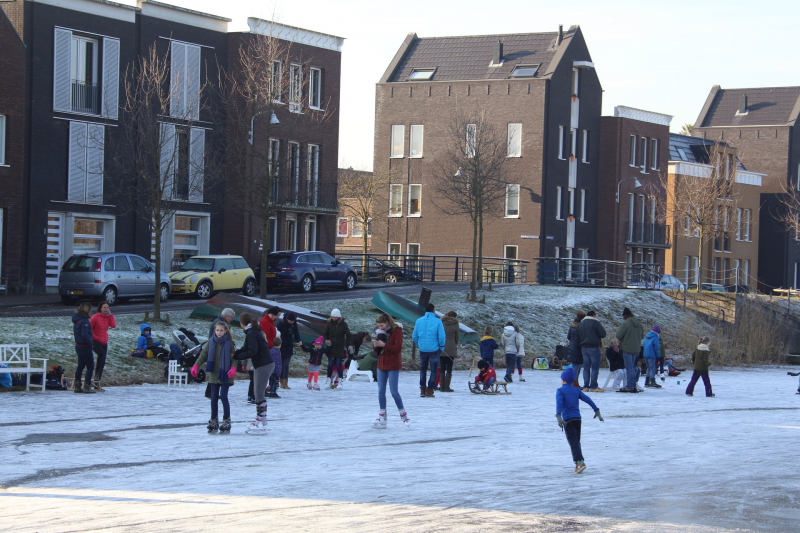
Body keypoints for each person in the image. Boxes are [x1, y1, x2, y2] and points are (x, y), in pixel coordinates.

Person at [556, 367, 604, 474]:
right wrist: (596, 410)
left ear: (563, 380)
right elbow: (588, 399)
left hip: (568, 420)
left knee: (573, 442)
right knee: (576, 441)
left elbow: (559, 403)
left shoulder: (560, 390)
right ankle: (580, 461)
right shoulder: (576, 390)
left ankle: (579, 463)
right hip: (578, 419)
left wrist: (559, 417)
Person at [233, 312, 273, 434]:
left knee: (259, 393)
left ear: (241, 324)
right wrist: (235, 354)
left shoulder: (251, 333)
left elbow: (252, 351)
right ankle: (261, 418)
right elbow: (246, 348)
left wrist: (237, 357)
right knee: (257, 392)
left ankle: (261, 420)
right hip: (262, 363)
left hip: (263, 364)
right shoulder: (252, 332)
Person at [192, 320, 236, 433]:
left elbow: (234, 358)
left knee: (223, 396)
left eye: (221, 330)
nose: (219, 332)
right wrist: (196, 366)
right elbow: (203, 355)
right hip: (214, 374)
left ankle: (226, 420)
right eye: (217, 330)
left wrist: (233, 368)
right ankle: (214, 419)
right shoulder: (211, 342)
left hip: (225, 373)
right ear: (214, 331)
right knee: (214, 397)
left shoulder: (229, 343)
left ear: (226, 331)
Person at [371, 313, 409, 428]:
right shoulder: (379, 332)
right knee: (380, 391)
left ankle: (403, 414)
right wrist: (376, 346)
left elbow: (397, 348)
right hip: (381, 364)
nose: (380, 328)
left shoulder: (397, 331)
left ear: (387, 323)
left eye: (382, 325)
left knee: (394, 391)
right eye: (378, 325)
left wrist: (384, 345)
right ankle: (382, 415)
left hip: (393, 364)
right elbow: (377, 350)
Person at [412, 303, 445, 398]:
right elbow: (441, 336)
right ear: (433, 310)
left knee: (423, 368)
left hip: (423, 348)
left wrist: (420, 344)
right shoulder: (438, 321)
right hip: (434, 348)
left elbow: (414, 335)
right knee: (434, 370)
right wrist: (441, 346)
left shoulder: (419, 321)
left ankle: (422, 389)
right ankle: (430, 390)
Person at [616, 307, 644, 393]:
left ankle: (630, 386)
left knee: (629, 368)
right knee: (633, 367)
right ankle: (633, 384)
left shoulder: (626, 323)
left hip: (627, 348)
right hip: (636, 348)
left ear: (625, 316)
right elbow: (642, 335)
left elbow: (619, 335)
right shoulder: (639, 323)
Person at [89, 301, 116, 392]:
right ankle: (93, 380)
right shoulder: (95, 317)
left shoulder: (108, 317)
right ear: (100, 308)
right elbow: (89, 329)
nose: (106, 309)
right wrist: (95, 337)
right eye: (104, 307)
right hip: (95, 340)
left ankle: (97, 381)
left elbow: (113, 325)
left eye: (107, 307)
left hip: (104, 341)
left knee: (102, 360)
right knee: (101, 354)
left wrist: (110, 315)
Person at [577, 310, 606, 392]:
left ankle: (586, 386)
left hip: (584, 347)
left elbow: (577, 335)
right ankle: (593, 386)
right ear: (593, 315)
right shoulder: (595, 322)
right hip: (594, 347)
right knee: (595, 367)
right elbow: (603, 334)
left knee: (586, 367)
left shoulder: (581, 324)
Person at [323, 308, 350, 389]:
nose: (334, 319)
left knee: (338, 364)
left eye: (335, 317)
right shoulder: (329, 323)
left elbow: (348, 335)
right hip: (331, 347)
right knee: (330, 364)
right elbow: (325, 334)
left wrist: (350, 345)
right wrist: (326, 340)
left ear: (339, 317)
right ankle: (328, 380)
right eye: (332, 317)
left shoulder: (343, 324)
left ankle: (340, 380)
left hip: (339, 348)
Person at [72, 302, 95, 394]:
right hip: (85, 346)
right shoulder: (85, 321)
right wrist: (91, 344)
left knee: (80, 366)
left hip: (78, 346)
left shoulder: (77, 320)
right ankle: (87, 387)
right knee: (90, 367)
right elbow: (84, 334)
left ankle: (77, 386)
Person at [275, 311, 301, 390]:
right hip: (281, 346)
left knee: (286, 365)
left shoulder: (294, 325)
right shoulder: (280, 324)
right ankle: (278, 381)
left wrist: (299, 340)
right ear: (286, 319)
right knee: (280, 365)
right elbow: (276, 333)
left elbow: (296, 333)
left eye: (292, 321)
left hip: (289, 346)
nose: (291, 322)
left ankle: (285, 383)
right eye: (290, 321)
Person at [440, 311, 460, 392]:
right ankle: (447, 387)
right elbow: (457, 337)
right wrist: (454, 344)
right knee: (449, 367)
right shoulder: (455, 324)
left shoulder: (441, 323)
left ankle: (441, 386)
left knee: (442, 367)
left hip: (442, 347)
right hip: (451, 347)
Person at [566, 311, 585, 388]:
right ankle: (574, 383)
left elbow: (568, 337)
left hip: (572, 346)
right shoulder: (581, 326)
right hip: (578, 347)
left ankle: (574, 382)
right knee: (577, 367)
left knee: (575, 366)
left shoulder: (572, 326)